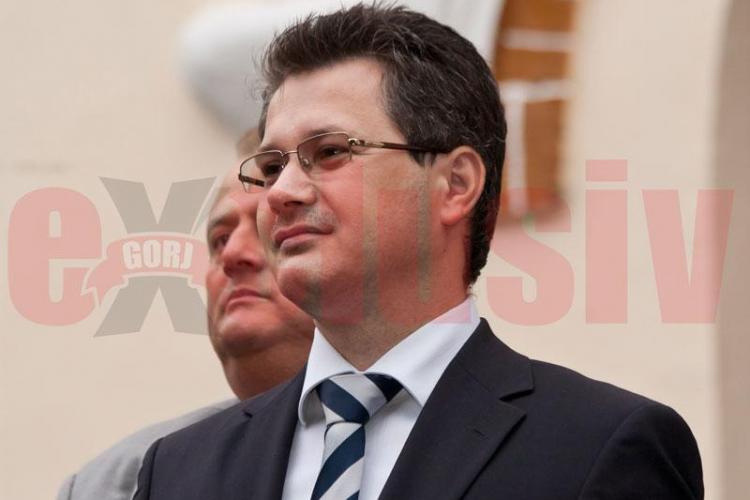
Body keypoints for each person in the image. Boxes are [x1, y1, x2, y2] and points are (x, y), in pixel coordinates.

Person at [134, 4, 704, 499]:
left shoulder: (596, 447)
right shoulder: (178, 472)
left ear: (455, 184)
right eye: (271, 165)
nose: (281, 193)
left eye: (329, 152)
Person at [57, 136, 314, 500]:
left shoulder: (399, 440)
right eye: (220, 239)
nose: (233, 255)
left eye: (267, 227)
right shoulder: (115, 484)